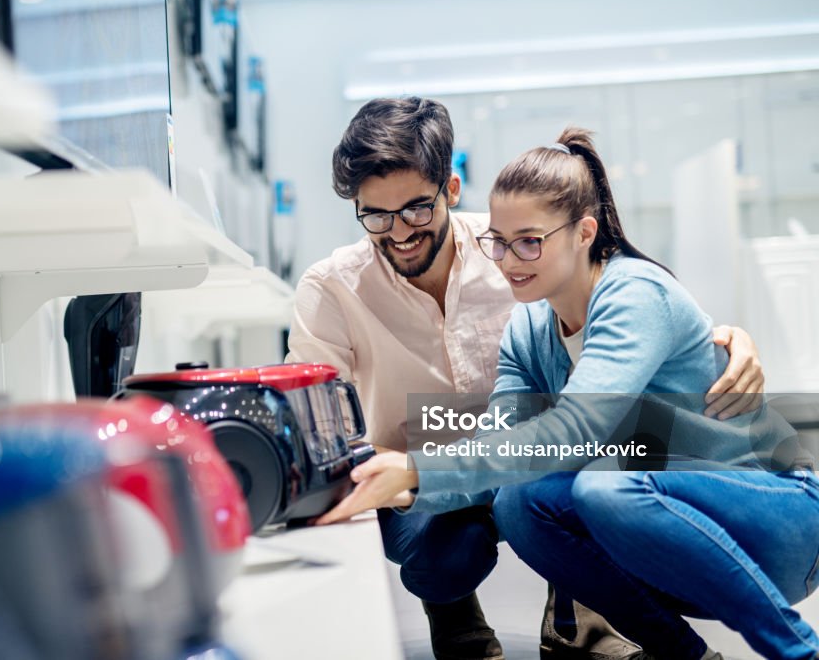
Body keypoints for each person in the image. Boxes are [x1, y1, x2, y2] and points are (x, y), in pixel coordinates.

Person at [315, 125, 819, 659]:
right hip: (672, 529)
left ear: (583, 232)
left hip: (780, 519)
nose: (509, 261)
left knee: (604, 486)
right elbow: (502, 440)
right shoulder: (529, 331)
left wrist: (417, 469)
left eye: (529, 241)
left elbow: (577, 429)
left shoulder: (633, 294)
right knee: (520, 503)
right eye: (499, 243)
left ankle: (798, 652)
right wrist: (404, 487)